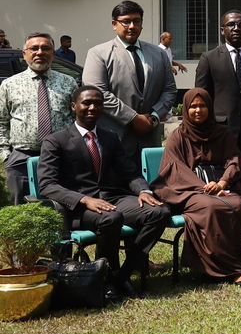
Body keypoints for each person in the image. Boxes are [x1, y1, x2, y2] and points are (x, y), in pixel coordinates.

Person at [38, 85, 169, 301]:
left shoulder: (110, 137)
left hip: (111, 198)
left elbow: (129, 172)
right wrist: (84, 200)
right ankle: (105, 276)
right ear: (73, 106)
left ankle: (120, 276)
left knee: (159, 212)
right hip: (78, 208)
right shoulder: (55, 140)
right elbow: (47, 185)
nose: (92, 107)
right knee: (111, 218)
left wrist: (144, 190)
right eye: (86, 103)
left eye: (97, 103)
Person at [152, 87, 241, 286]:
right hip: (189, 190)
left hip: (223, 186)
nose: (198, 110)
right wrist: (204, 187)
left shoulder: (222, 133)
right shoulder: (177, 136)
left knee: (237, 204)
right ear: (186, 109)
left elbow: (234, 159)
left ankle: (215, 266)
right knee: (210, 206)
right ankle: (234, 269)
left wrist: (222, 183)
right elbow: (175, 169)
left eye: (202, 105)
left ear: (210, 108)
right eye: (193, 106)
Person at [83, 0, 179, 161]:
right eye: (126, 21)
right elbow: (98, 93)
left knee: (150, 177)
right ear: (114, 24)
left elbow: (169, 89)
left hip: (149, 139)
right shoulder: (99, 53)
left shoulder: (158, 54)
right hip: (113, 140)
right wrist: (133, 118)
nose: (132, 26)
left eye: (136, 21)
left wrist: (154, 117)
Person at [0, 32, 77, 203]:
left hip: (61, 158)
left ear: (53, 53)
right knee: (20, 209)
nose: (39, 52)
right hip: (21, 159)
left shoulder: (69, 83)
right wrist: (6, 155)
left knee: (61, 206)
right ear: (24, 54)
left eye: (45, 48)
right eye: (34, 48)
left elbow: (77, 121)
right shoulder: (10, 85)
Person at [192, 10, 241, 152]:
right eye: (231, 25)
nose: (236, 28)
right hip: (220, 130)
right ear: (222, 30)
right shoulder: (209, 59)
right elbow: (202, 97)